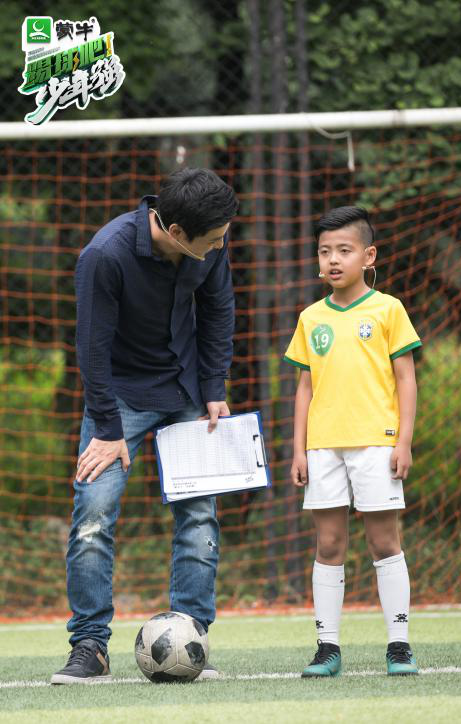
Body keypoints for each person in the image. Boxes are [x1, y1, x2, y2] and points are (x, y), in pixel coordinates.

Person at [51, 168, 239, 684]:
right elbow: (90, 346)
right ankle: (90, 646)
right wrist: (108, 428)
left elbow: (219, 309)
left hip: (186, 394)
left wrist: (214, 389)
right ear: (176, 233)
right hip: (118, 402)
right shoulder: (104, 256)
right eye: (215, 238)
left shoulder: (210, 241)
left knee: (200, 520)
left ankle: (192, 637)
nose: (223, 244)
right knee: (92, 515)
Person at [284, 206, 421, 678]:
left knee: (384, 541)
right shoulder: (310, 317)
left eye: (344, 250)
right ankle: (327, 648)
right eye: (325, 251)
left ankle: (399, 646)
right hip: (323, 447)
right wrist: (298, 449)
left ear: (369, 255)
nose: (333, 260)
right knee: (329, 543)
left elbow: (406, 379)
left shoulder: (388, 309)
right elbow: (305, 387)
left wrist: (403, 441)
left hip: (376, 444)